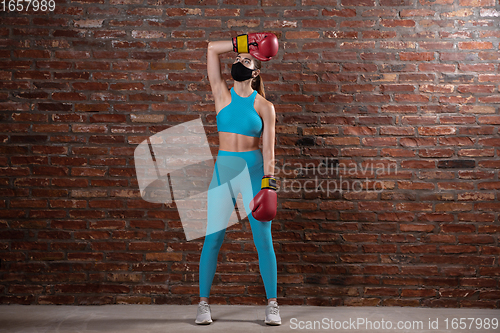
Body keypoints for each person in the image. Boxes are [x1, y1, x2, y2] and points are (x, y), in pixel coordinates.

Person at [195, 33, 281, 326]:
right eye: (237, 58)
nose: (237, 62)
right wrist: (248, 42)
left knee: (262, 239)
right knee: (213, 237)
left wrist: (269, 184)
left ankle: (272, 304)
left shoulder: (265, 107)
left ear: (255, 72)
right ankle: (203, 304)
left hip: (255, 172)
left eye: (245, 60)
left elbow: (268, 150)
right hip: (224, 170)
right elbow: (211, 48)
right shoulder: (221, 94)